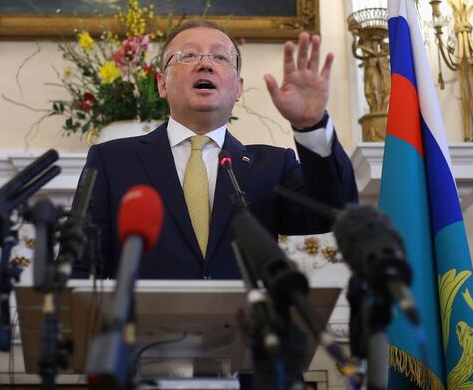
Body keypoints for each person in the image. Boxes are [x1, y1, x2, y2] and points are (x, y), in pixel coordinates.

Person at [78, 18, 358, 280]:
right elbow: (81, 265)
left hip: (247, 326)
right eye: (189, 55)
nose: (205, 64)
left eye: (221, 57)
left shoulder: (273, 166)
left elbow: (336, 213)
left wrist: (311, 125)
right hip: (138, 329)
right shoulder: (112, 161)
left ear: (238, 89)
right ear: (162, 84)